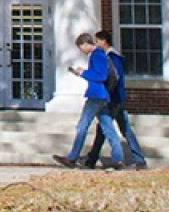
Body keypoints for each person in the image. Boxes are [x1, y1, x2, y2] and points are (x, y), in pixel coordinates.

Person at [52, 31, 124, 170]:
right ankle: (118, 159)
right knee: (108, 128)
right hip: (102, 96)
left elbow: (101, 75)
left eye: (80, 47)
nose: (81, 50)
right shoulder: (100, 54)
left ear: (85, 44)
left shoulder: (97, 55)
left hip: (96, 95)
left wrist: (83, 72)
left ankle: (72, 157)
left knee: (82, 126)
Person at [82, 29, 149, 170]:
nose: (96, 43)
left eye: (97, 40)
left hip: (114, 98)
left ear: (104, 41)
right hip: (117, 97)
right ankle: (139, 160)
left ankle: (93, 160)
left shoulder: (112, 57)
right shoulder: (110, 56)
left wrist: (107, 93)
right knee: (125, 129)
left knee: (104, 129)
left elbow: (113, 77)